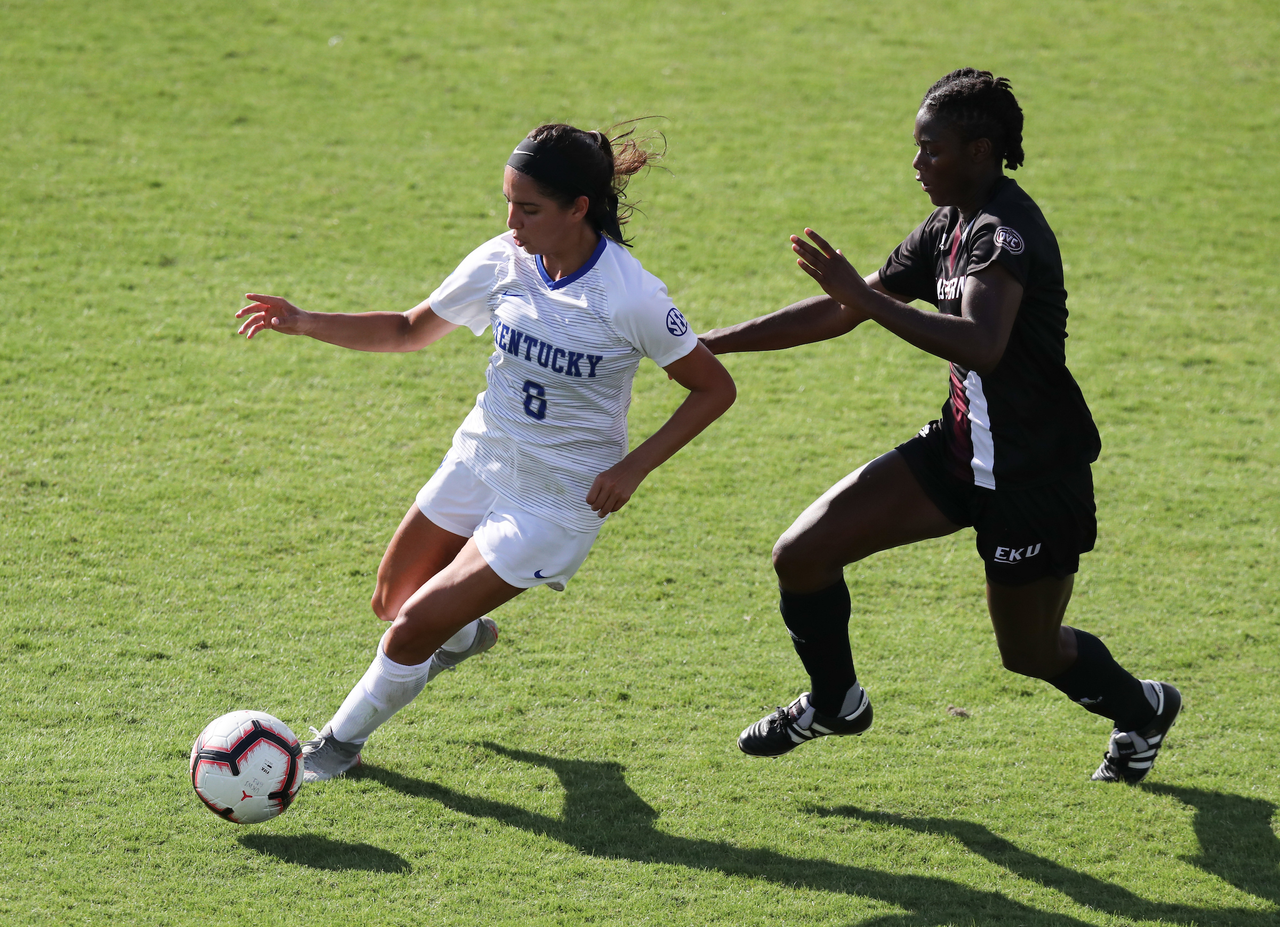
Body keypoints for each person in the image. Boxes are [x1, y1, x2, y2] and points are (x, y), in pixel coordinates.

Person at [700, 69, 1179, 783]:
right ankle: (837, 703)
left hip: (1032, 476)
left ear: (981, 151)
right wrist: (710, 343)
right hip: (958, 454)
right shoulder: (944, 227)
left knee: (1029, 652)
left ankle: (1142, 708)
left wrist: (864, 296)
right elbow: (843, 310)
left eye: (932, 151)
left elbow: (980, 342)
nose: (918, 165)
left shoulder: (1004, 235)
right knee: (800, 554)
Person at [236, 123, 736, 781]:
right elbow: (409, 330)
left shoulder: (630, 295)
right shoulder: (504, 258)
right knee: (392, 600)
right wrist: (304, 321)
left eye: (529, 208)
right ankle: (467, 634)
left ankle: (332, 747)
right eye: (508, 201)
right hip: (482, 456)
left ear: (578, 208)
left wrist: (633, 466)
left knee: (410, 628)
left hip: (557, 499)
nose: (512, 220)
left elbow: (712, 387)